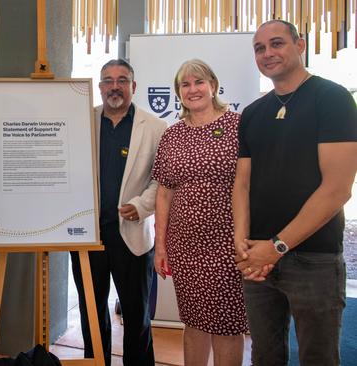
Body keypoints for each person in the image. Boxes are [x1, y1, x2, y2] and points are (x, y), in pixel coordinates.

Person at [233, 20, 357, 364]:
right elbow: (242, 183)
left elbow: (337, 190)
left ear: (299, 45)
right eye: (260, 48)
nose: (268, 53)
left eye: (277, 44)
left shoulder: (332, 99)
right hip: (257, 258)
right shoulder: (253, 113)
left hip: (313, 258)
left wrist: (277, 247)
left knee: (317, 357)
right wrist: (242, 244)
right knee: (265, 355)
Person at [70, 59, 166, 365]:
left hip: (133, 235)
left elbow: (161, 180)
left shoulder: (155, 127)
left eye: (122, 80)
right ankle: (96, 362)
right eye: (108, 80)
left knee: (136, 314)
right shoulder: (80, 121)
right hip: (89, 235)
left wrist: (141, 205)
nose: (114, 86)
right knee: (92, 311)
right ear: (99, 87)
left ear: (133, 87)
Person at [152, 59, 247, 365]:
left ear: (213, 86)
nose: (192, 90)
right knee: (193, 321)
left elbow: (252, 184)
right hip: (185, 247)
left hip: (228, 244)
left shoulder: (238, 126)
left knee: (226, 326)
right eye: (185, 84)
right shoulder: (172, 134)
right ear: (178, 92)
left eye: (199, 82)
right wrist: (161, 246)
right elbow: (164, 193)